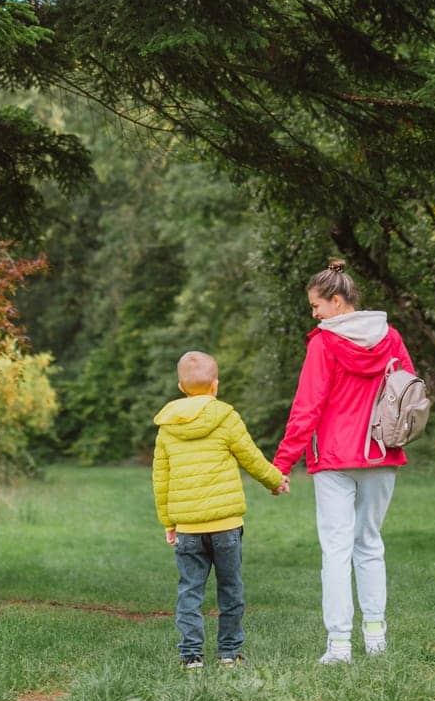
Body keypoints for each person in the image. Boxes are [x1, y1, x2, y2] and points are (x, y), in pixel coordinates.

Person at [272, 259, 416, 665]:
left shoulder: (323, 342)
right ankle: (376, 638)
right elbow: (409, 394)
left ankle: (339, 646)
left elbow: (307, 407)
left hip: (334, 457)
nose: (314, 314)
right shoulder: (391, 337)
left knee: (336, 550)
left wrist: (282, 464)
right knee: (369, 544)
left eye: (316, 306)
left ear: (336, 301)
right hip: (380, 452)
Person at [153, 349, 287, 669]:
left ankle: (191, 656)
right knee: (231, 589)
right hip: (226, 524)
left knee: (190, 591)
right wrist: (274, 481)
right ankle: (228, 653)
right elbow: (251, 457)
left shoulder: (168, 426)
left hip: (187, 528)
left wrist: (168, 521)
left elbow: (161, 478)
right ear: (215, 385)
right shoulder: (226, 416)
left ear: (181, 386)